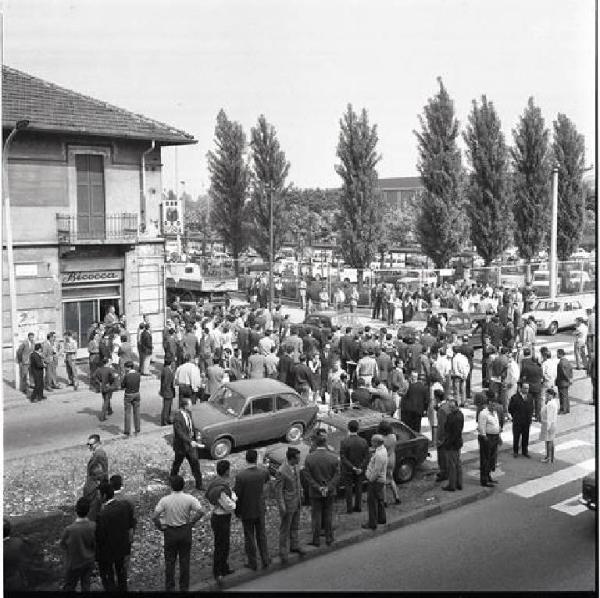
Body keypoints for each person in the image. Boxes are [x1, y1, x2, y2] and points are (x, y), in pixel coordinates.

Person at [152, 474, 205, 591]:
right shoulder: (189, 498)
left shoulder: (165, 500)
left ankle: (170, 587)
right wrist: (192, 522)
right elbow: (201, 511)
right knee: (185, 561)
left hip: (170, 532)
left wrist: (160, 526)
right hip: (185, 531)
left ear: (171, 486)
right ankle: (184, 587)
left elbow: (155, 516)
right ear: (183, 485)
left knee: (170, 561)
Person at [234, 449, 271, 571]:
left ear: (246, 459)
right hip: (260, 508)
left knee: (249, 537)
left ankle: (253, 562)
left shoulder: (241, 476)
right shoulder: (263, 472)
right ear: (256, 459)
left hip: (247, 509)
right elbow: (266, 485)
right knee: (262, 535)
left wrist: (237, 511)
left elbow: (237, 495)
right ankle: (265, 559)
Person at [95, 480, 135, 592]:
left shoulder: (102, 515)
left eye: (99, 494)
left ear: (104, 495)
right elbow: (131, 524)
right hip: (122, 547)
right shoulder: (125, 505)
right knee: (121, 574)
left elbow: (100, 537)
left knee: (108, 578)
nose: (98, 497)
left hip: (108, 551)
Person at [303, 433, 340, 547]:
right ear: (325, 443)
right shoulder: (333, 457)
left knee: (316, 515)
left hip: (315, 492)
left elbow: (307, 476)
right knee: (328, 514)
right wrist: (328, 487)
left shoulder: (309, 458)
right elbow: (337, 475)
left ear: (315, 443)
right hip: (329, 491)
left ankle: (316, 539)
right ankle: (329, 538)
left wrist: (318, 487)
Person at [273, 446, 307, 565]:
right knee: (285, 528)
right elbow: (278, 491)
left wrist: (301, 493)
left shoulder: (296, 466)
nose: (299, 460)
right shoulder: (282, 471)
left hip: (297, 501)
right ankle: (283, 552)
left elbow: (298, 482)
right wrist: (282, 506)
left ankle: (295, 545)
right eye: (298, 458)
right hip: (288, 504)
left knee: (295, 525)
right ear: (292, 458)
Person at [205, 460, 237, 584]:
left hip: (218, 517)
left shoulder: (216, 482)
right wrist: (234, 500)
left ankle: (223, 567)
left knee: (224, 544)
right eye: (229, 469)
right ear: (226, 471)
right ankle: (218, 571)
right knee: (221, 545)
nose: (230, 471)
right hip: (221, 518)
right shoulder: (222, 487)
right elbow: (228, 506)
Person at [60, 497, 96, 591]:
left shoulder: (70, 529)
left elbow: (63, 544)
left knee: (70, 586)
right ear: (88, 510)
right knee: (86, 585)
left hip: (74, 563)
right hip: (89, 561)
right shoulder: (93, 526)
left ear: (76, 510)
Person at [170, 397, 203, 490]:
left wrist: (196, 437)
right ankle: (172, 479)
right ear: (185, 406)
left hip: (191, 446)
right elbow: (180, 433)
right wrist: (190, 441)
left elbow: (192, 426)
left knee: (195, 464)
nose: (191, 406)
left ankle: (199, 484)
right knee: (177, 464)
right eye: (190, 404)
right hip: (181, 446)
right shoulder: (177, 417)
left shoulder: (189, 413)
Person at [339, 419, 369, 513]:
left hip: (348, 470)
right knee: (359, 487)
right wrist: (360, 467)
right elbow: (367, 456)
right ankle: (358, 507)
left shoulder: (344, 441)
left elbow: (343, 457)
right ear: (358, 428)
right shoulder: (363, 441)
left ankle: (349, 509)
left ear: (348, 428)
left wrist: (352, 467)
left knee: (348, 489)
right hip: (360, 470)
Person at [361, 434, 388, 530]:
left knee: (372, 502)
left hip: (376, 481)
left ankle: (372, 523)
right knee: (380, 499)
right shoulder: (382, 450)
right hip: (380, 480)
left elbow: (376, 471)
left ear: (377, 442)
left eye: (372, 441)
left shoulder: (379, 454)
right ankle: (381, 518)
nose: (371, 442)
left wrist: (370, 478)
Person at [477, 396, 501, 487]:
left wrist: (498, 435)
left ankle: (488, 476)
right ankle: (484, 480)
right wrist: (485, 438)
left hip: (494, 437)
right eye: (493, 405)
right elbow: (481, 427)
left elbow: (496, 424)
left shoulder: (494, 413)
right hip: (487, 438)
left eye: (496, 405)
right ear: (489, 403)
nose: (495, 407)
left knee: (492, 459)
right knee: (485, 459)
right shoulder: (483, 413)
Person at [441, 398, 464, 491]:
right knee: (458, 463)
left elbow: (450, 431)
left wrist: (447, 443)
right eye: (450, 407)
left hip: (452, 444)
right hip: (458, 442)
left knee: (452, 465)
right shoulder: (460, 415)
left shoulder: (452, 417)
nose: (450, 408)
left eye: (452, 407)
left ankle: (452, 485)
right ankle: (459, 483)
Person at [377, 420, 401, 505]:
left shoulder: (380, 439)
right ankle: (397, 497)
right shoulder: (393, 437)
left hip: (384, 460)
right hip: (392, 458)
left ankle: (384, 501)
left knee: (383, 481)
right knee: (391, 478)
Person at [508, 382, 533, 458]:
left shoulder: (530, 397)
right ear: (521, 388)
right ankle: (515, 451)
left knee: (526, 437)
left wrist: (530, 418)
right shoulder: (515, 398)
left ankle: (525, 451)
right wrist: (515, 416)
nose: (527, 390)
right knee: (516, 437)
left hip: (526, 421)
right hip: (518, 421)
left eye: (528, 388)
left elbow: (532, 408)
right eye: (525, 388)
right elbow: (510, 409)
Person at [121, 361, 141, 436]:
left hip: (128, 394)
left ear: (128, 367)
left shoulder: (127, 376)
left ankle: (127, 430)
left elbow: (123, 385)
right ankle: (137, 428)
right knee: (137, 412)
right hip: (137, 393)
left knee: (127, 413)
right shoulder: (138, 375)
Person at [540, 388, 560, 463]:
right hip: (551, 424)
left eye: (548, 395)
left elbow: (550, 417)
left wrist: (547, 427)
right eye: (546, 395)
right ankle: (551, 457)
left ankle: (549, 457)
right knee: (550, 441)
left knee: (549, 441)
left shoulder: (551, 404)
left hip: (549, 424)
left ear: (552, 395)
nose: (547, 396)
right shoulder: (552, 402)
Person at [17, 332, 36, 397]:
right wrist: (20, 360)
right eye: (31, 337)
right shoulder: (24, 343)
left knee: (31, 373)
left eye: (32, 337)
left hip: (31, 361)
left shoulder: (33, 342)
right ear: (28, 337)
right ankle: (24, 388)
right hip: (25, 362)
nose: (32, 338)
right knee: (24, 374)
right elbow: (19, 351)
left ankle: (32, 384)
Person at [556, 348, 574, 414]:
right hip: (566, 382)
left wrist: (568, 379)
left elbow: (564, 373)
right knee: (566, 395)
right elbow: (570, 370)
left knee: (562, 396)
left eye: (557, 353)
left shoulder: (561, 363)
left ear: (560, 354)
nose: (556, 355)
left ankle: (563, 409)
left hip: (562, 381)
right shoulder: (567, 361)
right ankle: (567, 409)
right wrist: (570, 378)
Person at [160, 358, 176, 426]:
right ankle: (164, 421)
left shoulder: (166, 369)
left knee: (168, 407)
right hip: (168, 391)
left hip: (168, 391)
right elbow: (166, 382)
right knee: (166, 407)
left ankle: (167, 419)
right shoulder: (167, 371)